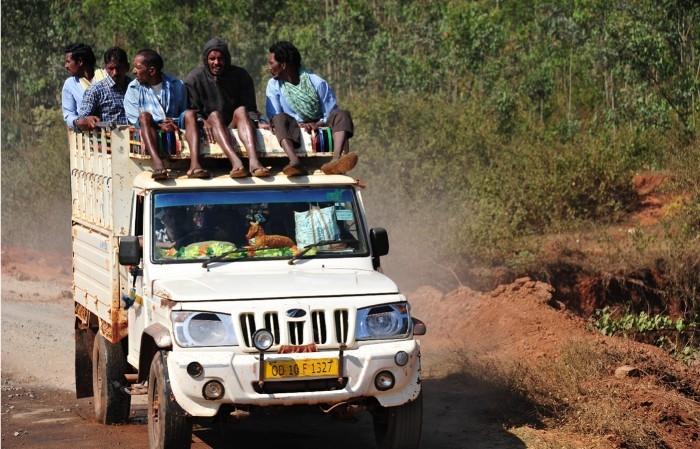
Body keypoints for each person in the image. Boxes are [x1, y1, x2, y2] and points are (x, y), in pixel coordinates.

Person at [265, 41, 357, 176]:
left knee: (342, 114)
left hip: (319, 124)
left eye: (271, 63)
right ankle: (294, 161)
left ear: (283, 65)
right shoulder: (273, 85)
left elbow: (330, 112)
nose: (269, 67)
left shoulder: (317, 82)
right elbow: (274, 115)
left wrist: (318, 123)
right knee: (278, 119)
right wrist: (300, 124)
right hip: (292, 128)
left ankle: (336, 160)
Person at [185, 38, 269, 178]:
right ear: (206, 60)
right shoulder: (195, 78)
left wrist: (257, 121)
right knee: (214, 115)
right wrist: (201, 120)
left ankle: (254, 162)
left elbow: (250, 109)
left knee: (241, 110)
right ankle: (236, 162)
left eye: (220, 58)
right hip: (210, 128)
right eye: (212, 59)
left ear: (227, 59)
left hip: (234, 125)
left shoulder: (241, 75)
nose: (217, 63)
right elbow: (192, 110)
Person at [124, 49, 210, 180]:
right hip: (150, 127)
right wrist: (159, 125)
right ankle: (158, 165)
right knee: (144, 116)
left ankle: (195, 165)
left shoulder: (176, 84)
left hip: (174, 126)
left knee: (191, 114)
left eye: (138, 67)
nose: (134, 71)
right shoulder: (133, 89)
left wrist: (172, 122)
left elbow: (183, 111)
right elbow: (134, 119)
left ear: (151, 71)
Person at [75, 47, 130, 130]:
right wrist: (86, 121)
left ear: (127, 67)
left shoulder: (136, 88)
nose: (115, 73)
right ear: (105, 68)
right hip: (108, 141)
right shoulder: (95, 91)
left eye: (118, 68)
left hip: (136, 141)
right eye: (111, 68)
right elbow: (81, 121)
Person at [62, 43, 107, 129]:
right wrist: (80, 121)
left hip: (113, 134)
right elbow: (68, 114)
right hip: (87, 138)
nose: (66, 66)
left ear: (80, 62)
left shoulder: (105, 76)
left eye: (68, 62)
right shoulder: (70, 84)